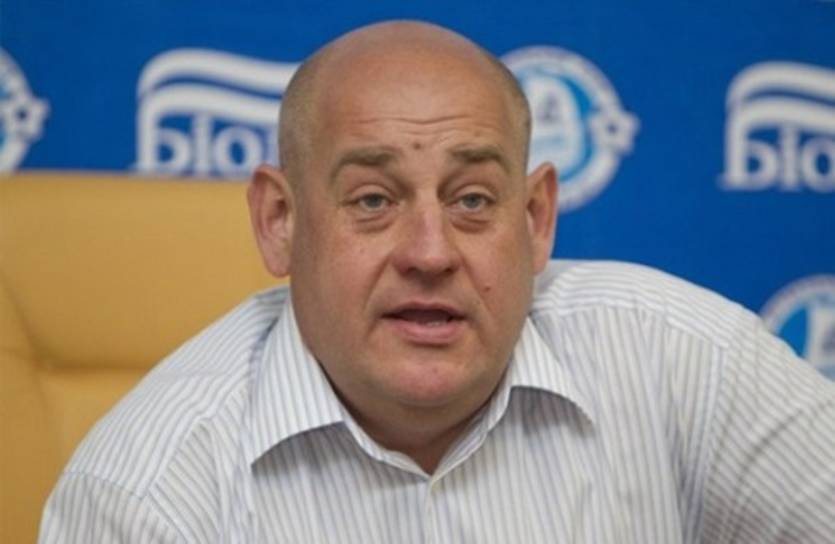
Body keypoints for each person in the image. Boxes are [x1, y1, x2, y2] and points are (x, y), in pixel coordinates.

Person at [40, 21, 835, 543]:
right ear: (280, 221)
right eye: (373, 201)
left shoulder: (688, 361)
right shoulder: (145, 493)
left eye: (472, 201)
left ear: (535, 220)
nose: (430, 252)